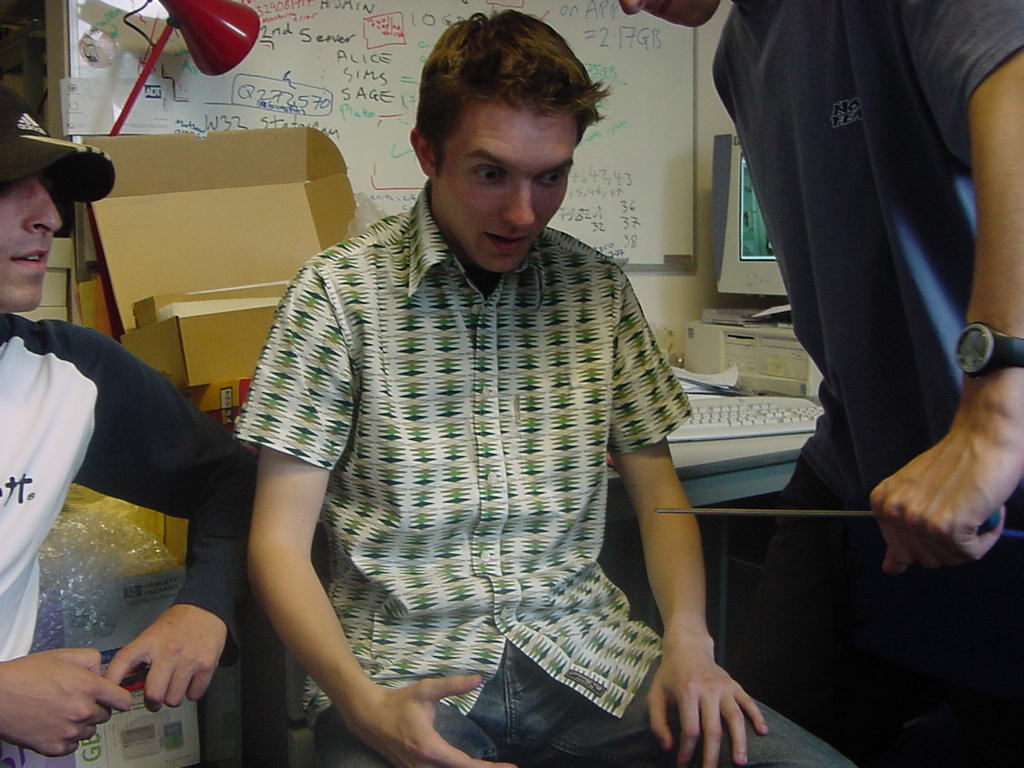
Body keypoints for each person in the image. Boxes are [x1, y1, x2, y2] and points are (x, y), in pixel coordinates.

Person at [237, 10, 852, 768]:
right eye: (491, 173)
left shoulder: (596, 290)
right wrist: (363, 707)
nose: (523, 212)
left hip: (589, 659)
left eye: (551, 176)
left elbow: (660, 494)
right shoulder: (338, 295)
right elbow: (277, 543)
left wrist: (690, 644)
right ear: (428, 152)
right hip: (407, 676)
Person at [620, 1, 1024, 765]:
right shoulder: (739, 58)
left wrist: (996, 417)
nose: (629, 4)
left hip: (998, 462)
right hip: (856, 472)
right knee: (744, 741)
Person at [0, 82, 254, 757]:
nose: (49, 217)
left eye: (48, 188)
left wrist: (204, 603)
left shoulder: (69, 375)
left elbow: (229, 478)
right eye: (10, 185)